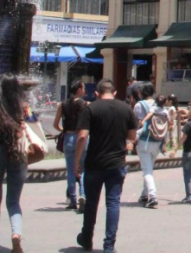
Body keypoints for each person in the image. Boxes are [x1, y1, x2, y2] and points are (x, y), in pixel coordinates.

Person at [75, 78, 138, 253]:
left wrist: (77, 162)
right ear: (115, 93)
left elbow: (82, 137)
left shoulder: (91, 108)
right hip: (116, 163)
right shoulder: (126, 109)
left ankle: (86, 238)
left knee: (91, 203)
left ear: (96, 93)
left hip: (94, 163)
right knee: (113, 203)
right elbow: (132, 136)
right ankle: (109, 245)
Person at [0, 75, 28, 253]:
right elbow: (33, 122)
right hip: (17, 152)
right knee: (13, 201)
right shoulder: (24, 107)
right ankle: (16, 234)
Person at [53, 79, 88, 212]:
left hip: (68, 137)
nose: (85, 91)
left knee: (70, 169)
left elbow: (55, 124)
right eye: (83, 88)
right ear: (79, 89)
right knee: (82, 168)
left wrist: (64, 129)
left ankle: (72, 200)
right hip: (82, 137)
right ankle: (83, 194)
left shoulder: (63, 104)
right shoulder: (85, 104)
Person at [133, 83, 164, 208]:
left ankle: (152, 196)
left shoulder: (139, 105)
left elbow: (135, 121)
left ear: (141, 93)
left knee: (147, 171)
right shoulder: (159, 105)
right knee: (149, 168)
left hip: (144, 140)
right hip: (157, 140)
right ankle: (144, 194)